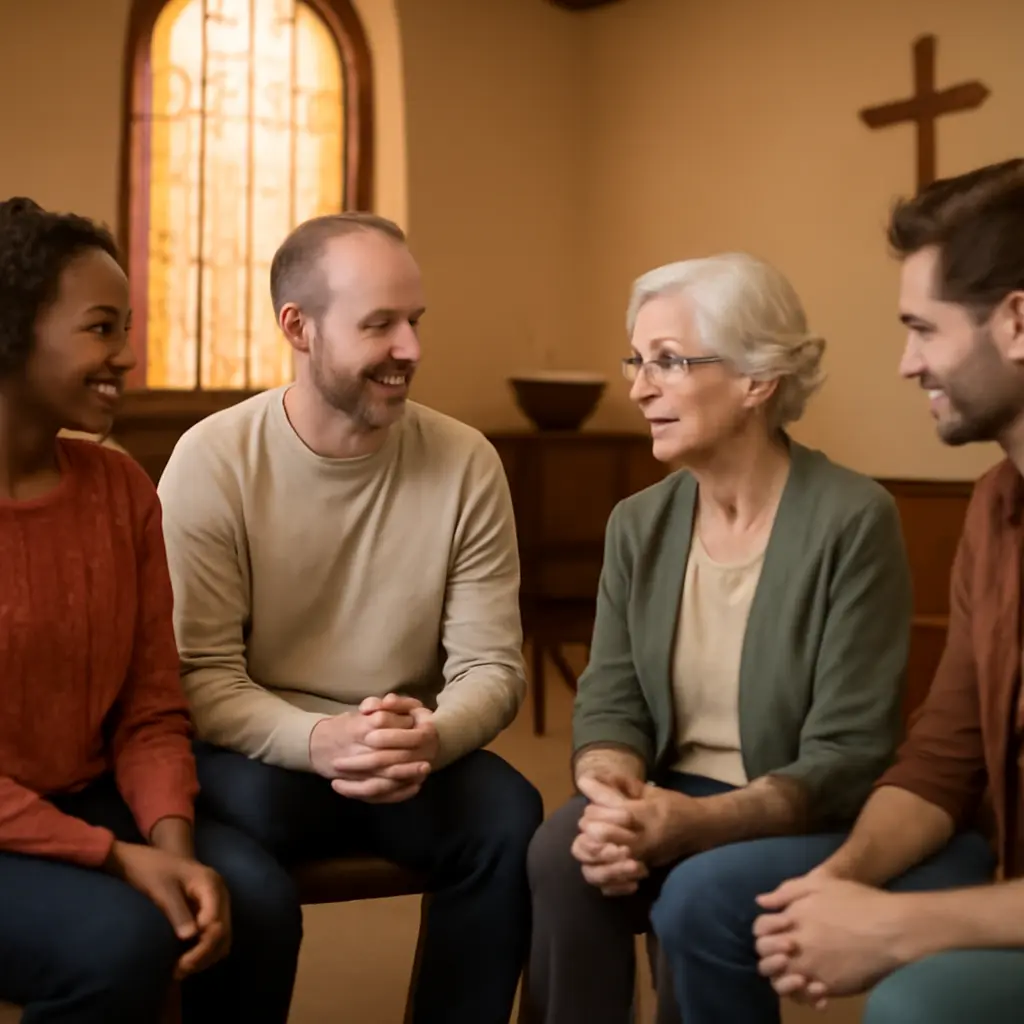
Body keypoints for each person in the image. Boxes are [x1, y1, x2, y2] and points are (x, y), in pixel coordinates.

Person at [521, 252, 996, 1024]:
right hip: (670, 787)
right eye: (637, 361)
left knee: (695, 889)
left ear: (757, 379)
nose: (639, 387)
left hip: (807, 806)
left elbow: (848, 754)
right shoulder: (638, 524)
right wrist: (612, 794)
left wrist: (693, 824)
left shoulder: (852, 518)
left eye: (668, 362)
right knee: (563, 851)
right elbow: (610, 698)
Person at [156, 211, 544, 1024]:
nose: (411, 348)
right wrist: (317, 739)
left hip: (407, 746)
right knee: (251, 868)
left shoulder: (467, 461)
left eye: (415, 321)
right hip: (257, 750)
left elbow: (492, 666)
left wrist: (430, 735)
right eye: (380, 325)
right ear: (298, 327)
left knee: (511, 820)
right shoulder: (212, 460)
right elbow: (198, 675)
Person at [0, 197, 302, 1023]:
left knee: (256, 906)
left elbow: (150, 706)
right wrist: (118, 861)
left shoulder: (120, 487)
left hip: (81, 794)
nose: (125, 356)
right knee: (123, 942)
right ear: (13, 330)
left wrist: (173, 852)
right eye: (101, 329)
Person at [754, 158, 1024, 1023]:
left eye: (924, 329)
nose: (907, 364)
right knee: (734, 902)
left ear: (1018, 322)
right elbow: (944, 760)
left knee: (918, 1002)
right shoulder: (994, 505)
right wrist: (837, 882)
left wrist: (898, 927)